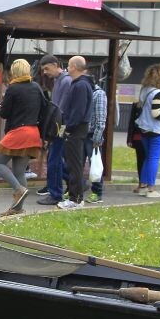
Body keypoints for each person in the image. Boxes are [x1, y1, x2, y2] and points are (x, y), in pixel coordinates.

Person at [0, 59, 42, 216]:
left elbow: (5, 112)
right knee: (19, 171)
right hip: (33, 132)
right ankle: (17, 209)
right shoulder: (36, 87)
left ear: (14, 72)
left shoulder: (13, 88)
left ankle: (18, 189)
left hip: (18, 132)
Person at [57, 56, 93, 210]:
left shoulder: (80, 86)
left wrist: (68, 128)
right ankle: (74, 197)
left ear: (76, 67)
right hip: (76, 129)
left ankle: (75, 199)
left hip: (76, 130)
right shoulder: (79, 84)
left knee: (75, 165)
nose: (67, 68)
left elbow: (78, 111)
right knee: (73, 164)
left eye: (69, 66)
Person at [135, 63, 160, 198]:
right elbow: (157, 114)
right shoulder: (158, 94)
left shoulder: (146, 90)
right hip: (158, 131)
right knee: (154, 159)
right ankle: (151, 190)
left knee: (147, 158)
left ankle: (143, 186)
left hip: (144, 129)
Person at [37, 55, 71, 205]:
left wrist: (59, 131)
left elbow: (62, 109)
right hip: (59, 126)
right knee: (56, 160)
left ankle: (56, 194)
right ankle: (76, 182)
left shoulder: (65, 81)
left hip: (60, 126)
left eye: (46, 68)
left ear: (55, 65)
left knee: (54, 161)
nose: (45, 72)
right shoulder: (61, 80)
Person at [84, 81, 107, 203]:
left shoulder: (99, 94)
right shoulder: (85, 93)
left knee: (95, 165)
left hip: (92, 135)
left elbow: (101, 118)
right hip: (81, 133)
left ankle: (97, 192)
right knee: (76, 164)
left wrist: (97, 138)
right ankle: (75, 189)